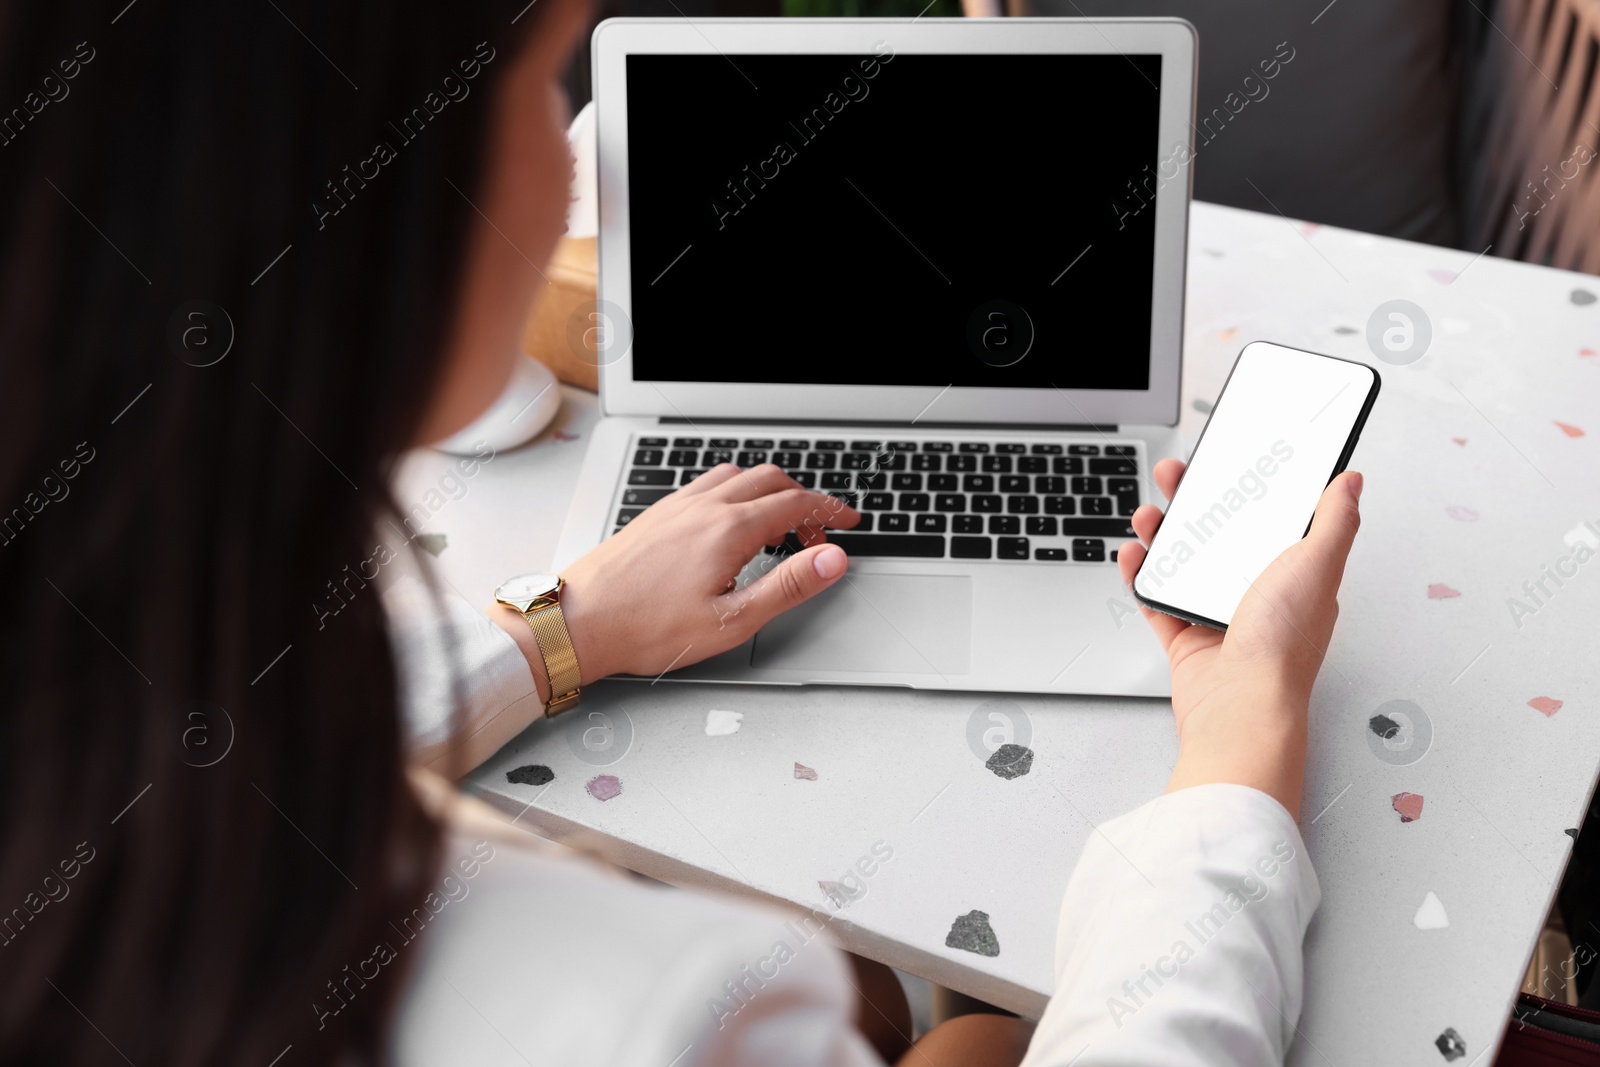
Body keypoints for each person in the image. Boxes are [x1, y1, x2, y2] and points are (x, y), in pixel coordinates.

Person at [0, 0, 1361, 1063]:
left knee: (883, 1003)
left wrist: (556, 632)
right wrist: (1243, 748)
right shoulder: (677, 1011)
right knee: (977, 1031)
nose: (572, 150)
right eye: (538, 86)